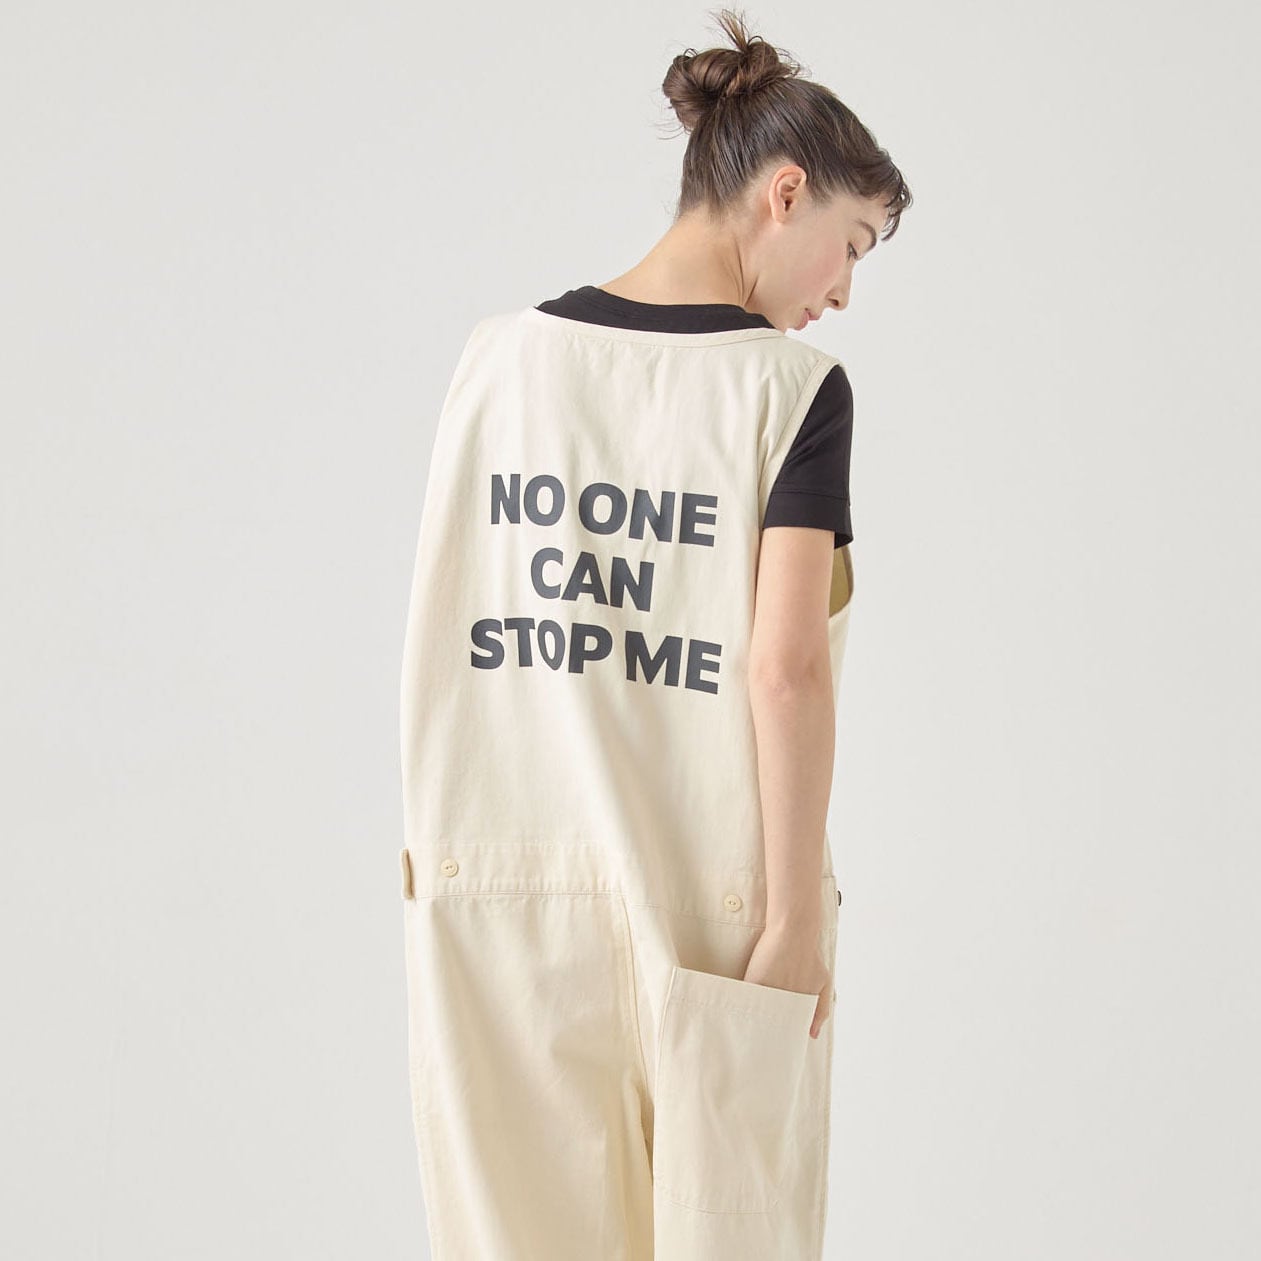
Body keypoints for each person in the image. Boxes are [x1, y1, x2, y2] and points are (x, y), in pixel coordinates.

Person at [397, 9, 912, 1259]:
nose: (842, 291)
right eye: (850, 245)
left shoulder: (495, 365)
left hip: (495, 900)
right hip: (716, 918)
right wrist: (792, 925)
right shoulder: (787, 393)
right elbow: (784, 669)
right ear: (783, 194)